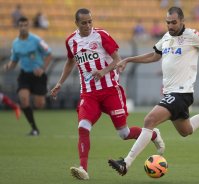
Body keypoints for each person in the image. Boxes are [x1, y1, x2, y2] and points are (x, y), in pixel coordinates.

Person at [108, 6, 199, 176]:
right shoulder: (166, 37)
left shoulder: (192, 35)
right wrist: (129, 59)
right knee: (186, 130)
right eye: (168, 22)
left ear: (182, 21)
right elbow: (154, 55)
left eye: (174, 22)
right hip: (171, 93)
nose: (170, 25)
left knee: (149, 120)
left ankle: (126, 163)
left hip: (182, 93)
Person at [49, 8, 164, 180]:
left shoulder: (101, 36)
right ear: (76, 24)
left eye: (90, 21)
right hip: (88, 94)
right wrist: (59, 83)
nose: (88, 25)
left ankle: (153, 134)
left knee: (123, 134)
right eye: (84, 23)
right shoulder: (71, 41)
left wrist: (104, 71)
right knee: (83, 127)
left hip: (110, 91)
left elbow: (118, 60)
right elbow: (70, 62)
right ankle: (83, 168)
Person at [2, 16, 52, 136]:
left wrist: (42, 68)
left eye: (25, 25)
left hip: (38, 75)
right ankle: (34, 129)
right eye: (21, 25)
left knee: (39, 104)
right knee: (23, 99)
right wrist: (8, 66)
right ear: (18, 27)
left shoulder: (36, 40)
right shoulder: (15, 43)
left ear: (28, 26)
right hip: (25, 75)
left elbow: (49, 54)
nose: (23, 27)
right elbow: (14, 60)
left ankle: (45, 96)